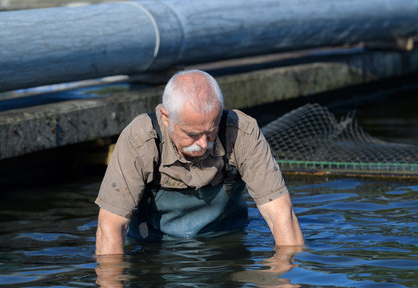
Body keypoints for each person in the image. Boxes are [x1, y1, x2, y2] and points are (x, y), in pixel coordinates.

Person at [95, 69, 303, 255]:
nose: (203, 144)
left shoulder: (242, 132)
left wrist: (287, 279)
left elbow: (281, 215)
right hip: (153, 248)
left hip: (228, 243)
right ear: (166, 118)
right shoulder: (138, 139)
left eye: (211, 132)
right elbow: (111, 226)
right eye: (192, 135)